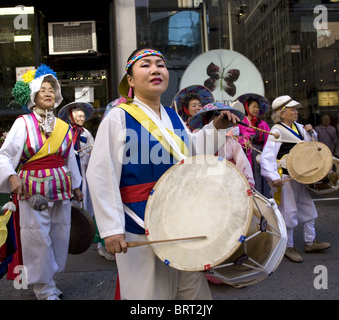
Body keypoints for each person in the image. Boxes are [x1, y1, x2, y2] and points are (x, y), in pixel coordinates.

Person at [86, 48, 239, 300]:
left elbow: (190, 151)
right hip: (138, 219)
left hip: (179, 217)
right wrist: (111, 229)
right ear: (131, 80)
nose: (156, 69)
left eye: (160, 64)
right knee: (148, 294)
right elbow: (101, 173)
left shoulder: (172, 115)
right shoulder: (118, 117)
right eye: (145, 65)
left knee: (193, 292)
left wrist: (216, 128)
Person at [0, 65, 84, 300]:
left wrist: (76, 186)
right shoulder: (23, 123)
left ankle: (49, 283)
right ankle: (44, 289)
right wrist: (11, 175)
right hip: (32, 191)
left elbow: (69, 157)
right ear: (34, 94)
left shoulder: (63, 126)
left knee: (59, 235)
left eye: (51, 88)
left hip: (61, 188)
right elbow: (2, 156)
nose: (48, 92)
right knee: (38, 238)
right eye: (42, 89)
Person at [260, 95, 331, 263]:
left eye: (296, 109)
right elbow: (266, 158)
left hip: (302, 176)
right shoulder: (276, 131)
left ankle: (310, 241)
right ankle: (288, 246)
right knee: (289, 211)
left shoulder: (300, 127)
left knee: (308, 207)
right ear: (282, 113)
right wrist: (273, 176)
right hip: (286, 176)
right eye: (292, 109)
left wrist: (311, 132)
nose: (296, 112)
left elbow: (311, 147)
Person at [58, 102, 114, 260]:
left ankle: (85, 229)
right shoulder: (63, 131)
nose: (81, 118)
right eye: (79, 115)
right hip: (67, 169)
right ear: (71, 115)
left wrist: (90, 153)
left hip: (84, 168)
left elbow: (94, 148)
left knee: (86, 200)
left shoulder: (86, 133)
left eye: (83, 116)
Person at [188, 102, 255, 188]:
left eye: (220, 118)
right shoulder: (198, 141)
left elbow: (242, 163)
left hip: (229, 185)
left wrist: (247, 184)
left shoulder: (230, 141)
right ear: (207, 123)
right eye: (214, 120)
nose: (218, 121)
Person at [235, 93, 271, 197]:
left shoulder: (263, 124)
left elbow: (269, 141)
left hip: (261, 155)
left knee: (262, 180)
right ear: (247, 107)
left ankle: (264, 200)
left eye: (258, 107)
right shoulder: (240, 123)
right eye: (254, 107)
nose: (256, 109)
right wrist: (244, 141)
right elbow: (235, 139)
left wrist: (265, 155)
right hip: (247, 155)